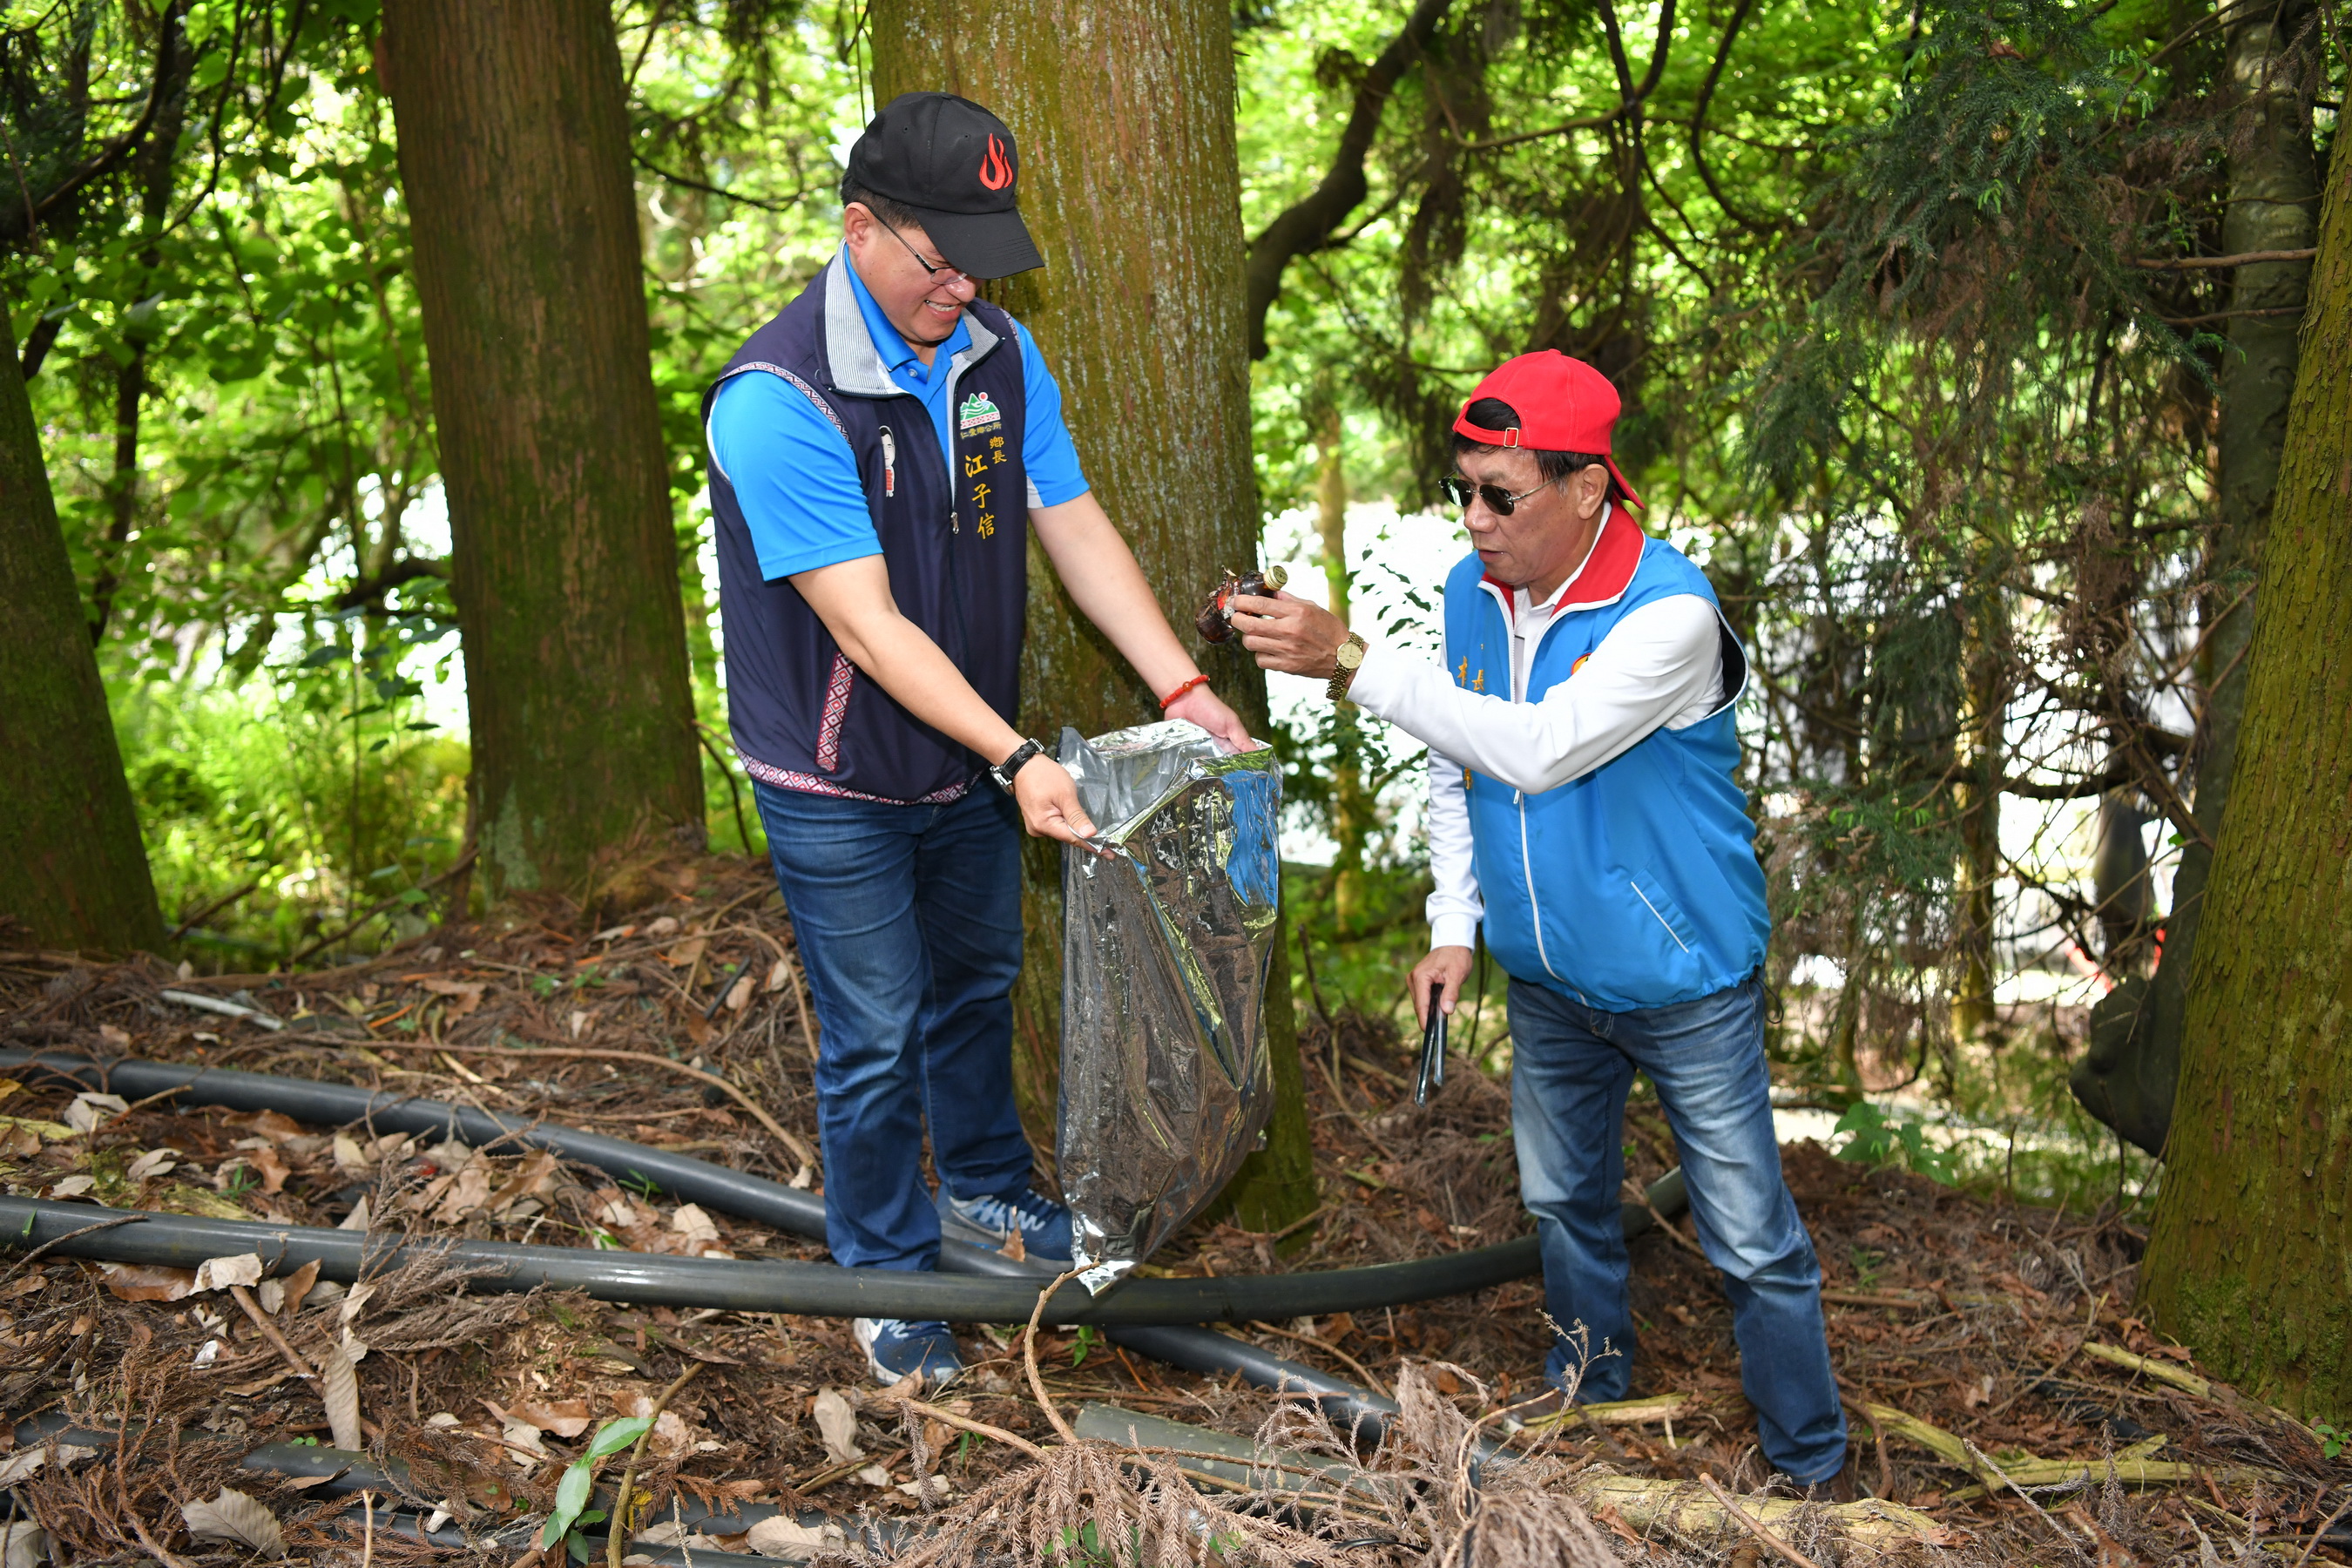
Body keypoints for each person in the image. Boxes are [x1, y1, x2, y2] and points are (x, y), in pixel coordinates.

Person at [702, 91, 1249, 1389]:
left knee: (979, 982)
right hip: (837, 769)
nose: (962, 288)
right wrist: (1018, 759)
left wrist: (1178, 686)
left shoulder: (995, 356)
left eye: (979, 260)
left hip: (971, 753)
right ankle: (890, 1278)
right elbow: (871, 630)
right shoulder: (778, 400)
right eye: (938, 261)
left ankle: (991, 1190)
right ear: (859, 230)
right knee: (877, 1026)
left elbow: (1067, 516)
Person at [1231, 351, 1848, 1489]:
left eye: (1498, 495)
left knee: (1751, 1236)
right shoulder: (1479, 591)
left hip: (1683, 975)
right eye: (1460, 489)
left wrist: (1353, 658)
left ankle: (1810, 1467)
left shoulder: (1671, 617)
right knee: (1564, 1202)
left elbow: (1540, 747)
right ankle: (1589, 1404)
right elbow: (1462, 763)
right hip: (1549, 979)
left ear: (1587, 489)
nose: (1473, 520)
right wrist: (1456, 925)